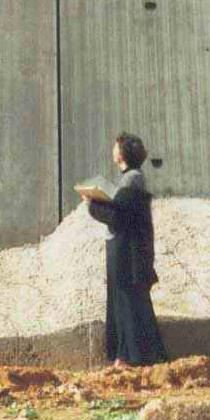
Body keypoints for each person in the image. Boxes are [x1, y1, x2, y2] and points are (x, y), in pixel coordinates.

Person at [79, 132, 168, 369]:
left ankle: (131, 357)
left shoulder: (131, 180)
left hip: (126, 250)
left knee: (127, 301)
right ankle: (127, 355)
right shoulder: (130, 178)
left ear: (123, 153)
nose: (112, 150)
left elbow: (118, 218)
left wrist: (91, 205)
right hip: (124, 248)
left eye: (116, 146)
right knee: (124, 301)